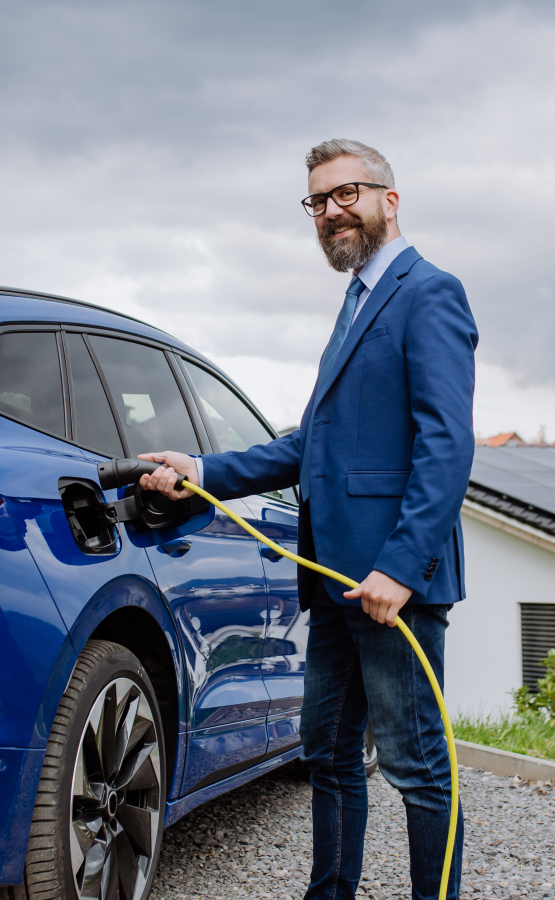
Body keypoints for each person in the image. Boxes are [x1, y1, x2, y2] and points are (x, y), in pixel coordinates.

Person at [139, 139, 478, 900]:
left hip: (392, 583)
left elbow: (447, 444)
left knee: (418, 767)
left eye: (346, 194)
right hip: (330, 583)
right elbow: (310, 444)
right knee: (327, 752)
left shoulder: (430, 293)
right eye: (318, 202)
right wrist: (202, 472)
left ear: (390, 200)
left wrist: (401, 565)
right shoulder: (355, 304)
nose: (331, 213)